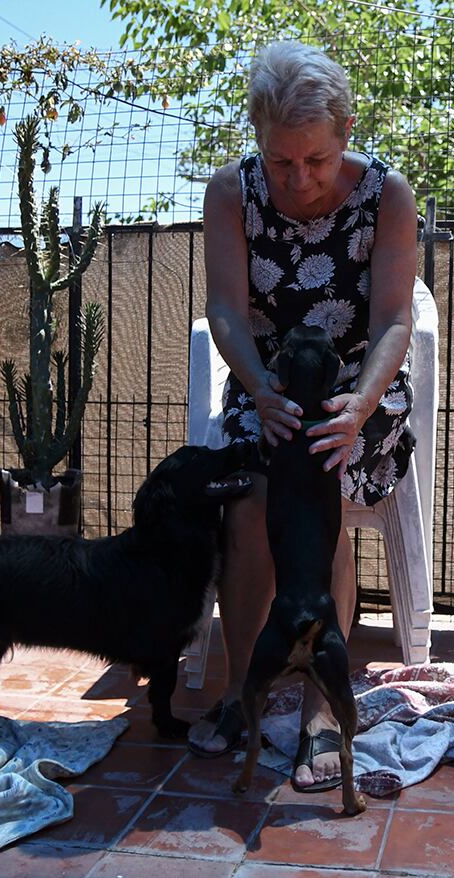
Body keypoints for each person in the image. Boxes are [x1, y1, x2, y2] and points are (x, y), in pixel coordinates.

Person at [188, 40, 419, 793]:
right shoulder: (231, 192)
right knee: (252, 503)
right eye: (281, 162)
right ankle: (237, 693)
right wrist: (256, 388)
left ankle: (323, 711)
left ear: (345, 131)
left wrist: (356, 408)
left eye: (315, 160)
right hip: (268, 385)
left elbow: (393, 321)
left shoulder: (388, 196)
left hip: (361, 389)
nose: (299, 180)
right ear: (258, 141)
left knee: (326, 487)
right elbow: (224, 308)